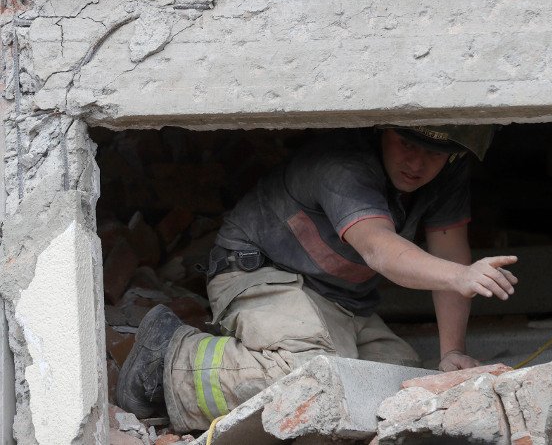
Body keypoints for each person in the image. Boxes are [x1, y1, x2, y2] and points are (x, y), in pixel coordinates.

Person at [117, 125, 519, 433]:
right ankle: (170, 356)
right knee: (308, 377)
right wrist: (461, 276)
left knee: (398, 386)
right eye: (407, 144)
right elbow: (379, 247)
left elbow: (448, 251)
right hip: (259, 272)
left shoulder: (447, 174)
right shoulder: (342, 165)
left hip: (340, 298)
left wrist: (451, 352)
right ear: (383, 131)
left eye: (433, 153)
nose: (417, 163)